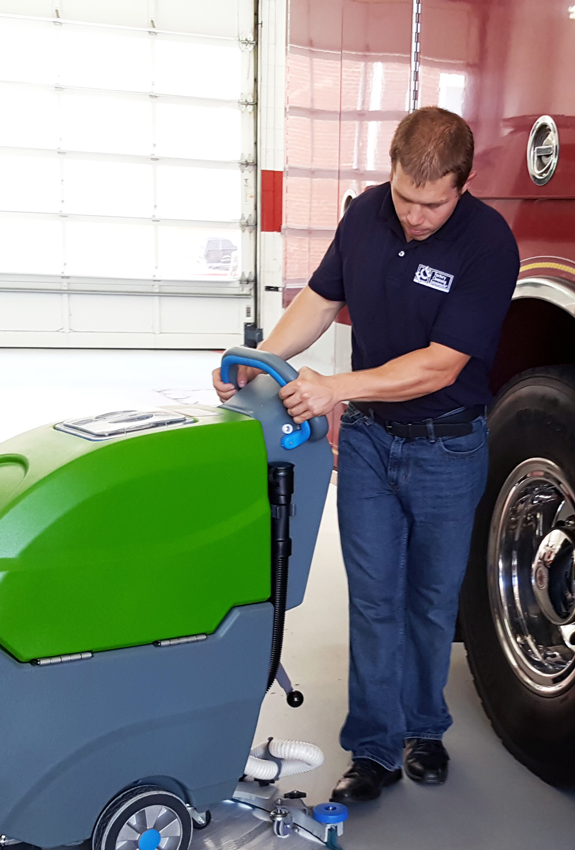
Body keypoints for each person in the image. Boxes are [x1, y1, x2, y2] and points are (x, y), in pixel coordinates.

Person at [214, 107, 520, 803]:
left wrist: (333, 387)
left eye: (432, 204)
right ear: (390, 171)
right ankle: (375, 750)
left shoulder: (487, 244)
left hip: (447, 448)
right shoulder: (364, 218)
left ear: (463, 187)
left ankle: (426, 729)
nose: (414, 215)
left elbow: (440, 367)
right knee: (375, 600)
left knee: (432, 601)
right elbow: (319, 302)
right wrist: (257, 364)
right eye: (405, 197)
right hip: (372, 446)